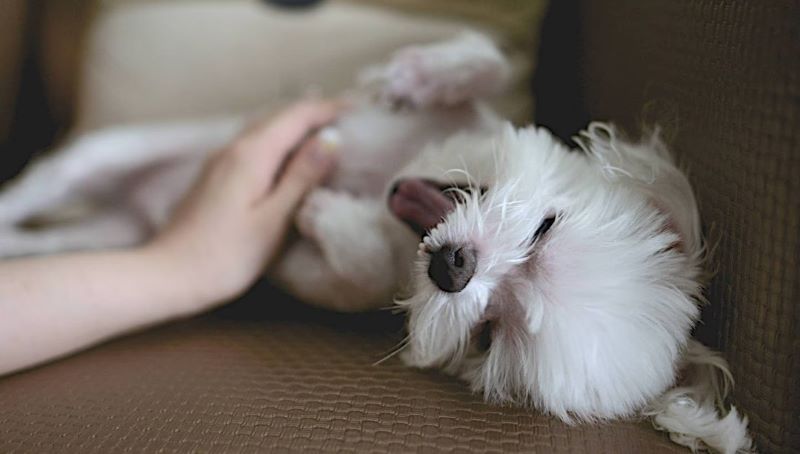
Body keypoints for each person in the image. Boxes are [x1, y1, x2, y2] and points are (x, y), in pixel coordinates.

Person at [0, 100, 343, 377]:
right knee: (88, 160)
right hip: (175, 218)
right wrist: (180, 268)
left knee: (59, 228)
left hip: (149, 231)